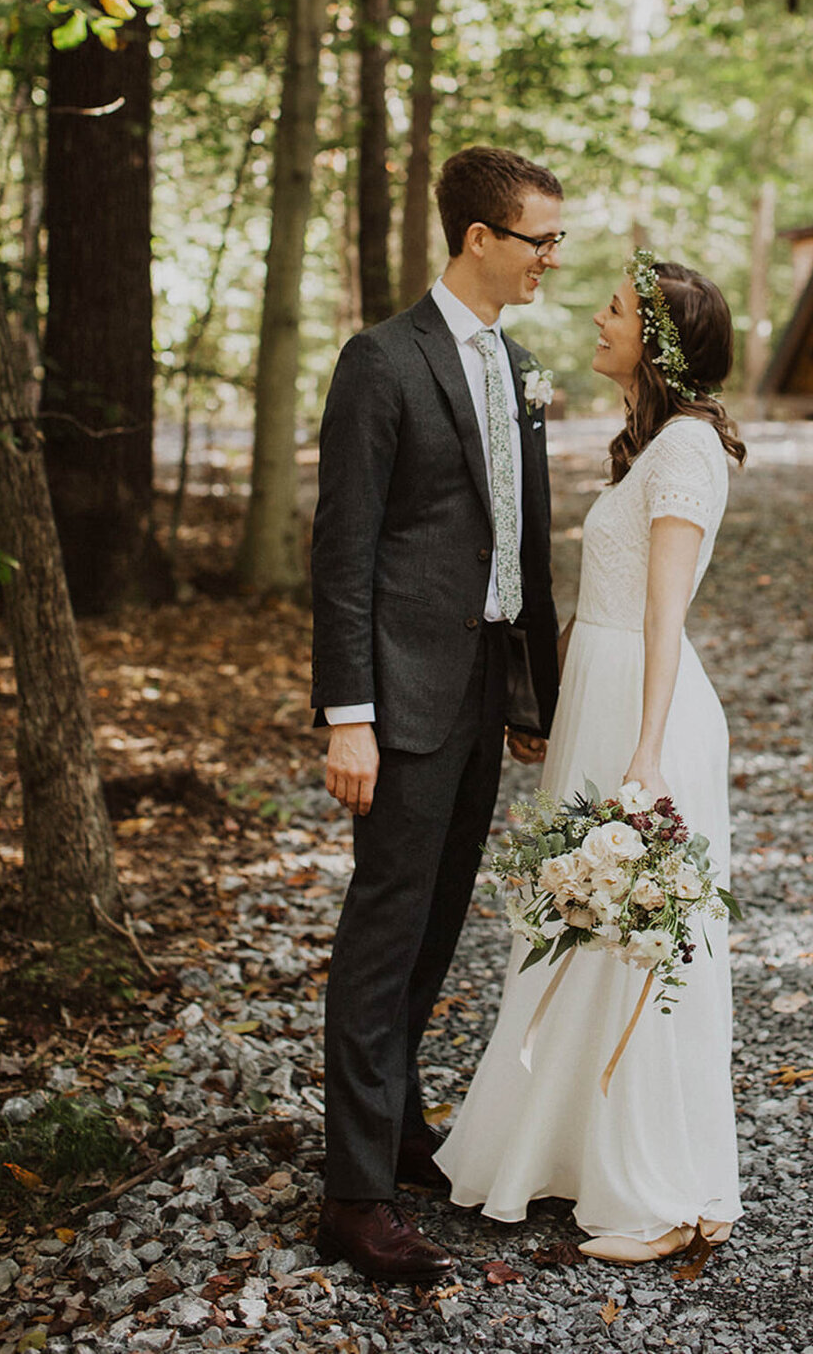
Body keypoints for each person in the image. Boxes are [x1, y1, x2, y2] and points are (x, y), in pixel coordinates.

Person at [437, 251, 746, 1263]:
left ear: (658, 340)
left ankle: (659, 1187)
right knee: (579, 925)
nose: (597, 318)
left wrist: (646, 753)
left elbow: (665, 613)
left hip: (645, 713)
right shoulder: (655, 444)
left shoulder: (690, 452)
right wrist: (548, 701)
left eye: (615, 309)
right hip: (601, 701)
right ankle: (573, 1149)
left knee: (636, 941)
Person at [310, 146, 564, 1281]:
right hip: (400, 695)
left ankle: (399, 1127)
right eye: (537, 239)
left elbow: (521, 547)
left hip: (480, 690)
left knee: (435, 925)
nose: (552, 256)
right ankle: (354, 1194)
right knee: (381, 936)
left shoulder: (518, 365)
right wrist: (347, 712)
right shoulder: (382, 361)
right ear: (478, 239)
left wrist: (531, 696)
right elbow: (344, 550)